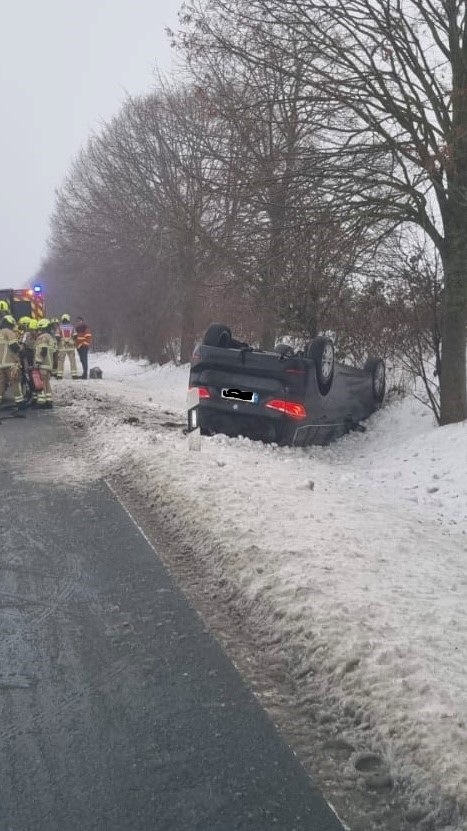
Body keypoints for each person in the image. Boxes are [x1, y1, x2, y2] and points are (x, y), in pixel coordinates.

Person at [0, 314, 26, 409]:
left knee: (1, 383)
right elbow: (14, 346)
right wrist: (21, 349)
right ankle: (20, 402)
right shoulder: (9, 332)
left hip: (0, 364)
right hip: (11, 363)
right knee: (15, 381)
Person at [34, 319, 57, 408]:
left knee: (42, 383)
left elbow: (43, 350)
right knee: (47, 383)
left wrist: (38, 362)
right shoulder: (50, 337)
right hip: (49, 365)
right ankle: (49, 400)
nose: (38, 330)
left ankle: (42, 402)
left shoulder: (43, 337)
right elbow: (55, 352)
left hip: (43, 364)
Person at [56, 313, 78, 379]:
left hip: (62, 346)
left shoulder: (59, 327)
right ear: (68, 319)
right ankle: (74, 375)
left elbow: (57, 336)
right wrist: (70, 340)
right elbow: (75, 335)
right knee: (72, 361)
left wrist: (61, 341)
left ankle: (59, 375)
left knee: (60, 361)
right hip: (70, 346)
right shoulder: (72, 327)